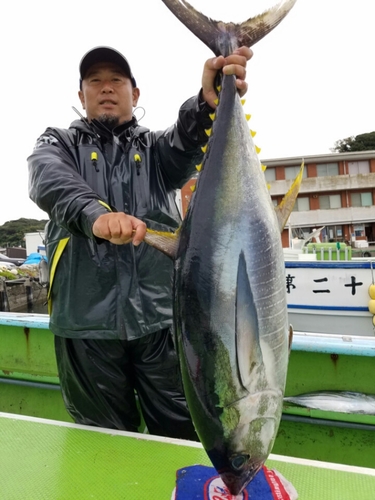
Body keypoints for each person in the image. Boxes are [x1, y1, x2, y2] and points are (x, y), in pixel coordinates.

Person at [28, 45, 252, 440]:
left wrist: (206, 102)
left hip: (163, 322)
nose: (106, 88)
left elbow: (187, 140)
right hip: (85, 326)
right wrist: (95, 215)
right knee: (102, 440)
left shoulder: (157, 152)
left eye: (117, 80)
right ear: (81, 96)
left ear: (136, 93)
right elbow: (48, 179)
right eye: (94, 81)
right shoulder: (56, 143)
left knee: (182, 434)